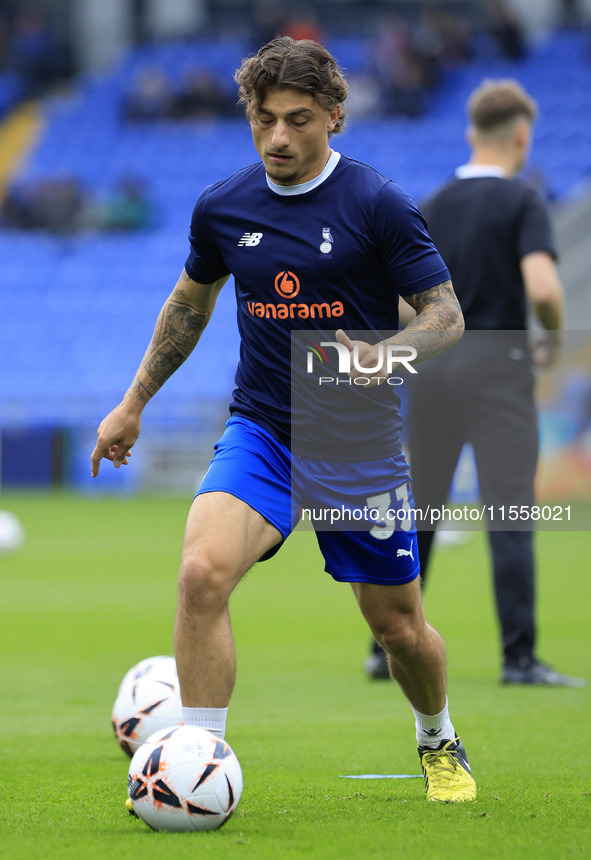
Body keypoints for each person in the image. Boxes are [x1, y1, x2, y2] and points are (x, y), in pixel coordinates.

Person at [91, 37, 476, 803]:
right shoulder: (224, 205)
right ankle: (198, 765)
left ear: (334, 117)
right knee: (200, 574)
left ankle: (437, 738)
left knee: (397, 629)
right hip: (263, 428)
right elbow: (186, 308)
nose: (277, 139)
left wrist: (380, 357)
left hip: (355, 441)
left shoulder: (376, 202)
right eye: (264, 120)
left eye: (297, 120)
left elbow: (445, 317)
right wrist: (133, 402)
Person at [365, 79, 585, 687]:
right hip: (498, 360)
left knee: (422, 507)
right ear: (521, 135)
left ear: (470, 135)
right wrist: (551, 337)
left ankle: (383, 646)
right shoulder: (523, 201)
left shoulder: (430, 203)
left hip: (432, 366)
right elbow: (541, 286)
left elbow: (405, 309)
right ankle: (519, 658)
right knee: (508, 507)